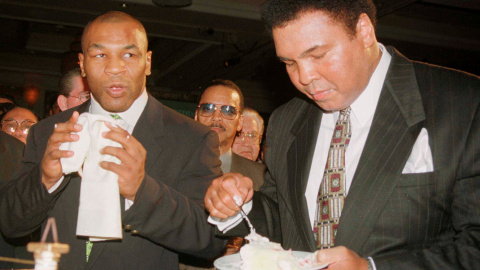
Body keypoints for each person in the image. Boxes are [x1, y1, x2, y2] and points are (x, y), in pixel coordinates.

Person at [205, 0, 480, 269]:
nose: (304, 77)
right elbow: (285, 217)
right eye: (289, 62)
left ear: (364, 31)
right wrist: (237, 204)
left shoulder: (463, 103)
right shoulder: (287, 119)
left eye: (318, 55)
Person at [0, 11, 225, 269]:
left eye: (129, 54)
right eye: (100, 55)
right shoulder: (46, 132)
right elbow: (10, 224)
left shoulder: (192, 138)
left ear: (148, 62)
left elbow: (212, 239)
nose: (115, 67)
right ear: (82, 64)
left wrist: (142, 191)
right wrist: (45, 178)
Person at [195, 80, 265, 190]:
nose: (216, 117)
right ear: (196, 116)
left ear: (240, 122)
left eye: (228, 110)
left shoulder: (261, 176)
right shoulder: (171, 164)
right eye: (208, 108)